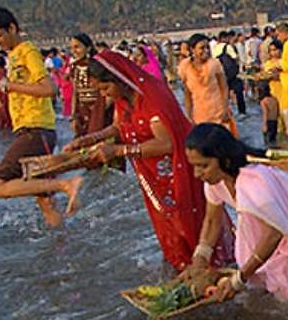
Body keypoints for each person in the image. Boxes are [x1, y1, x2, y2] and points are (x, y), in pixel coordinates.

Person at [69, 51, 233, 271]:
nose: (105, 95)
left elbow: (166, 144)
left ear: (119, 79)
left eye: (105, 88)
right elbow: (121, 126)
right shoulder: (124, 99)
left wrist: (118, 151)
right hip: (154, 175)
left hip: (179, 170)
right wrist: (90, 138)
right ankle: (183, 269)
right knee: (168, 224)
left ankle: (210, 269)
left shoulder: (151, 96)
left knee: (188, 220)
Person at [182, 123, 288, 305]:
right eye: (194, 166)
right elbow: (211, 220)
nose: (197, 174)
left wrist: (239, 279)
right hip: (264, 240)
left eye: (203, 166)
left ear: (224, 160)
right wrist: (199, 260)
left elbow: (274, 233)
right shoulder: (215, 181)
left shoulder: (254, 181)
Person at [0, 7, 83, 228]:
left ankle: (67, 184)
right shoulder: (14, 55)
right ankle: (61, 244)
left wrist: (10, 85)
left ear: (12, 28)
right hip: (31, 129)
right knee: (45, 201)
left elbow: (49, 88)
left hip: (36, 130)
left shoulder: (28, 51)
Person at [178, 34, 237, 135]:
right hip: (199, 115)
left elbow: (224, 87)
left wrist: (225, 109)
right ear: (192, 50)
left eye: (207, 47)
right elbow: (187, 93)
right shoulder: (185, 66)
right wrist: (189, 115)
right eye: (202, 48)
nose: (206, 51)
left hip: (218, 112)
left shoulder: (215, 64)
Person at [68, 33, 109, 138]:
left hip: (100, 111)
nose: (73, 51)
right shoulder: (75, 68)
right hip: (83, 112)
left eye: (77, 47)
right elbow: (75, 92)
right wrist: (73, 116)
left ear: (88, 47)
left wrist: (100, 111)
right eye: (71, 48)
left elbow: (108, 89)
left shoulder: (98, 66)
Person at [256, 80, 279, 147]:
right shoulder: (274, 99)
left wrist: (264, 125)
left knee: (267, 143)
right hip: (275, 122)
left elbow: (265, 113)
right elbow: (278, 112)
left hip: (268, 122)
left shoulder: (263, 101)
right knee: (274, 140)